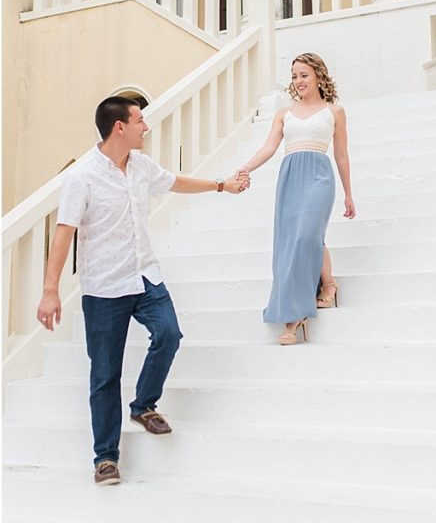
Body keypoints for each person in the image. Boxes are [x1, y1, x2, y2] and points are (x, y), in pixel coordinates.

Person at [36, 96, 249, 486]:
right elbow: (64, 232)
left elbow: (174, 182)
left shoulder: (140, 166)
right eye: (139, 120)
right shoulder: (81, 177)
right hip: (104, 288)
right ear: (120, 127)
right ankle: (105, 458)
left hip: (145, 276)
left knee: (168, 334)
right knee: (104, 374)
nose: (145, 126)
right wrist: (50, 291)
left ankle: (143, 405)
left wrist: (222, 185)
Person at [238, 52, 355, 345]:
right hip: (290, 178)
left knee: (306, 236)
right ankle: (322, 289)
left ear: (318, 75)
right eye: (294, 76)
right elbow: (268, 147)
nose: (298, 81)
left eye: (304, 75)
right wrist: (246, 167)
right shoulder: (284, 114)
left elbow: (341, 154)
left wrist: (349, 194)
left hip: (319, 176)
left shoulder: (335, 111)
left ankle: (302, 311)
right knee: (293, 242)